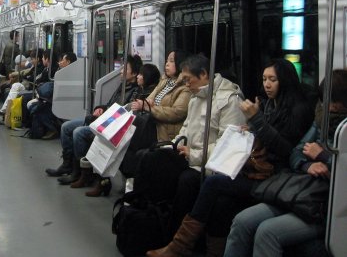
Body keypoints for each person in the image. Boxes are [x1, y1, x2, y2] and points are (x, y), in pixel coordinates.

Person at [146, 58, 314, 257]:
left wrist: (257, 121)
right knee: (214, 197)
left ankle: (180, 245)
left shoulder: (298, 110)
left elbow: (284, 149)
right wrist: (252, 128)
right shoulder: (271, 105)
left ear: (284, 81)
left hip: (274, 177)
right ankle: (175, 238)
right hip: (255, 169)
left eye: (273, 80)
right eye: (264, 79)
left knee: (210, 183)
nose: (267, 84)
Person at [223, 69, 347, 257]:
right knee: (241, 221)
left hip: (323, 204)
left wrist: (323, 156)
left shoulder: (341, 128)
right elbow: (296, 153)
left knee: (267, 232)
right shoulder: (321, 118)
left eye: (335, 101)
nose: (329, 106)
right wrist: (307, 165)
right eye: (326, 100)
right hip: (303, 191)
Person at [46, 55, 142, 189]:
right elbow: (109, 105)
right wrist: (100, 109)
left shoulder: (136, 92)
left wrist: (105, 114)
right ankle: (68, 165)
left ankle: (83, 173)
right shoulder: (122, 86)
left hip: (112, 126)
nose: (121, 71)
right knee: (66, 127)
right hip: (104, 119)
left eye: (125, 69)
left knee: (78, 133)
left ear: (135, 73)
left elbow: (124, 115)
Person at [119, 51, 191, 179]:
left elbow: (177, 112)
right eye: (167, 60)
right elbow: (149, 100)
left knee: (124, 142)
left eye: (171, 61)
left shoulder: (185, 87)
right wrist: (147, 104)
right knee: (123, 146)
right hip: (151, 125)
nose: (167, 64)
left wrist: (150, 107)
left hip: (163, 130)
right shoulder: (164, 82)